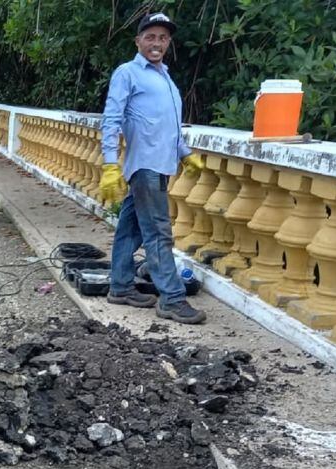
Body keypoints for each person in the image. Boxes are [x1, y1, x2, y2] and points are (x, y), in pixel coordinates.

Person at [99, 12, 207, 324]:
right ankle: (172, 299)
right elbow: (112, 119)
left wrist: (185, 154)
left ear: (168, 42)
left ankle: (120, 286)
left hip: (161, 165)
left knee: (129, 229)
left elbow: (165, 126)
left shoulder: (166, 78)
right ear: (138, 41)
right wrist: (109, 164)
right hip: (145, 167)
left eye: (162, 38)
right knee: (159, 233)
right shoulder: (128, 73)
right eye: (150, 37)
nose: (156, 43)